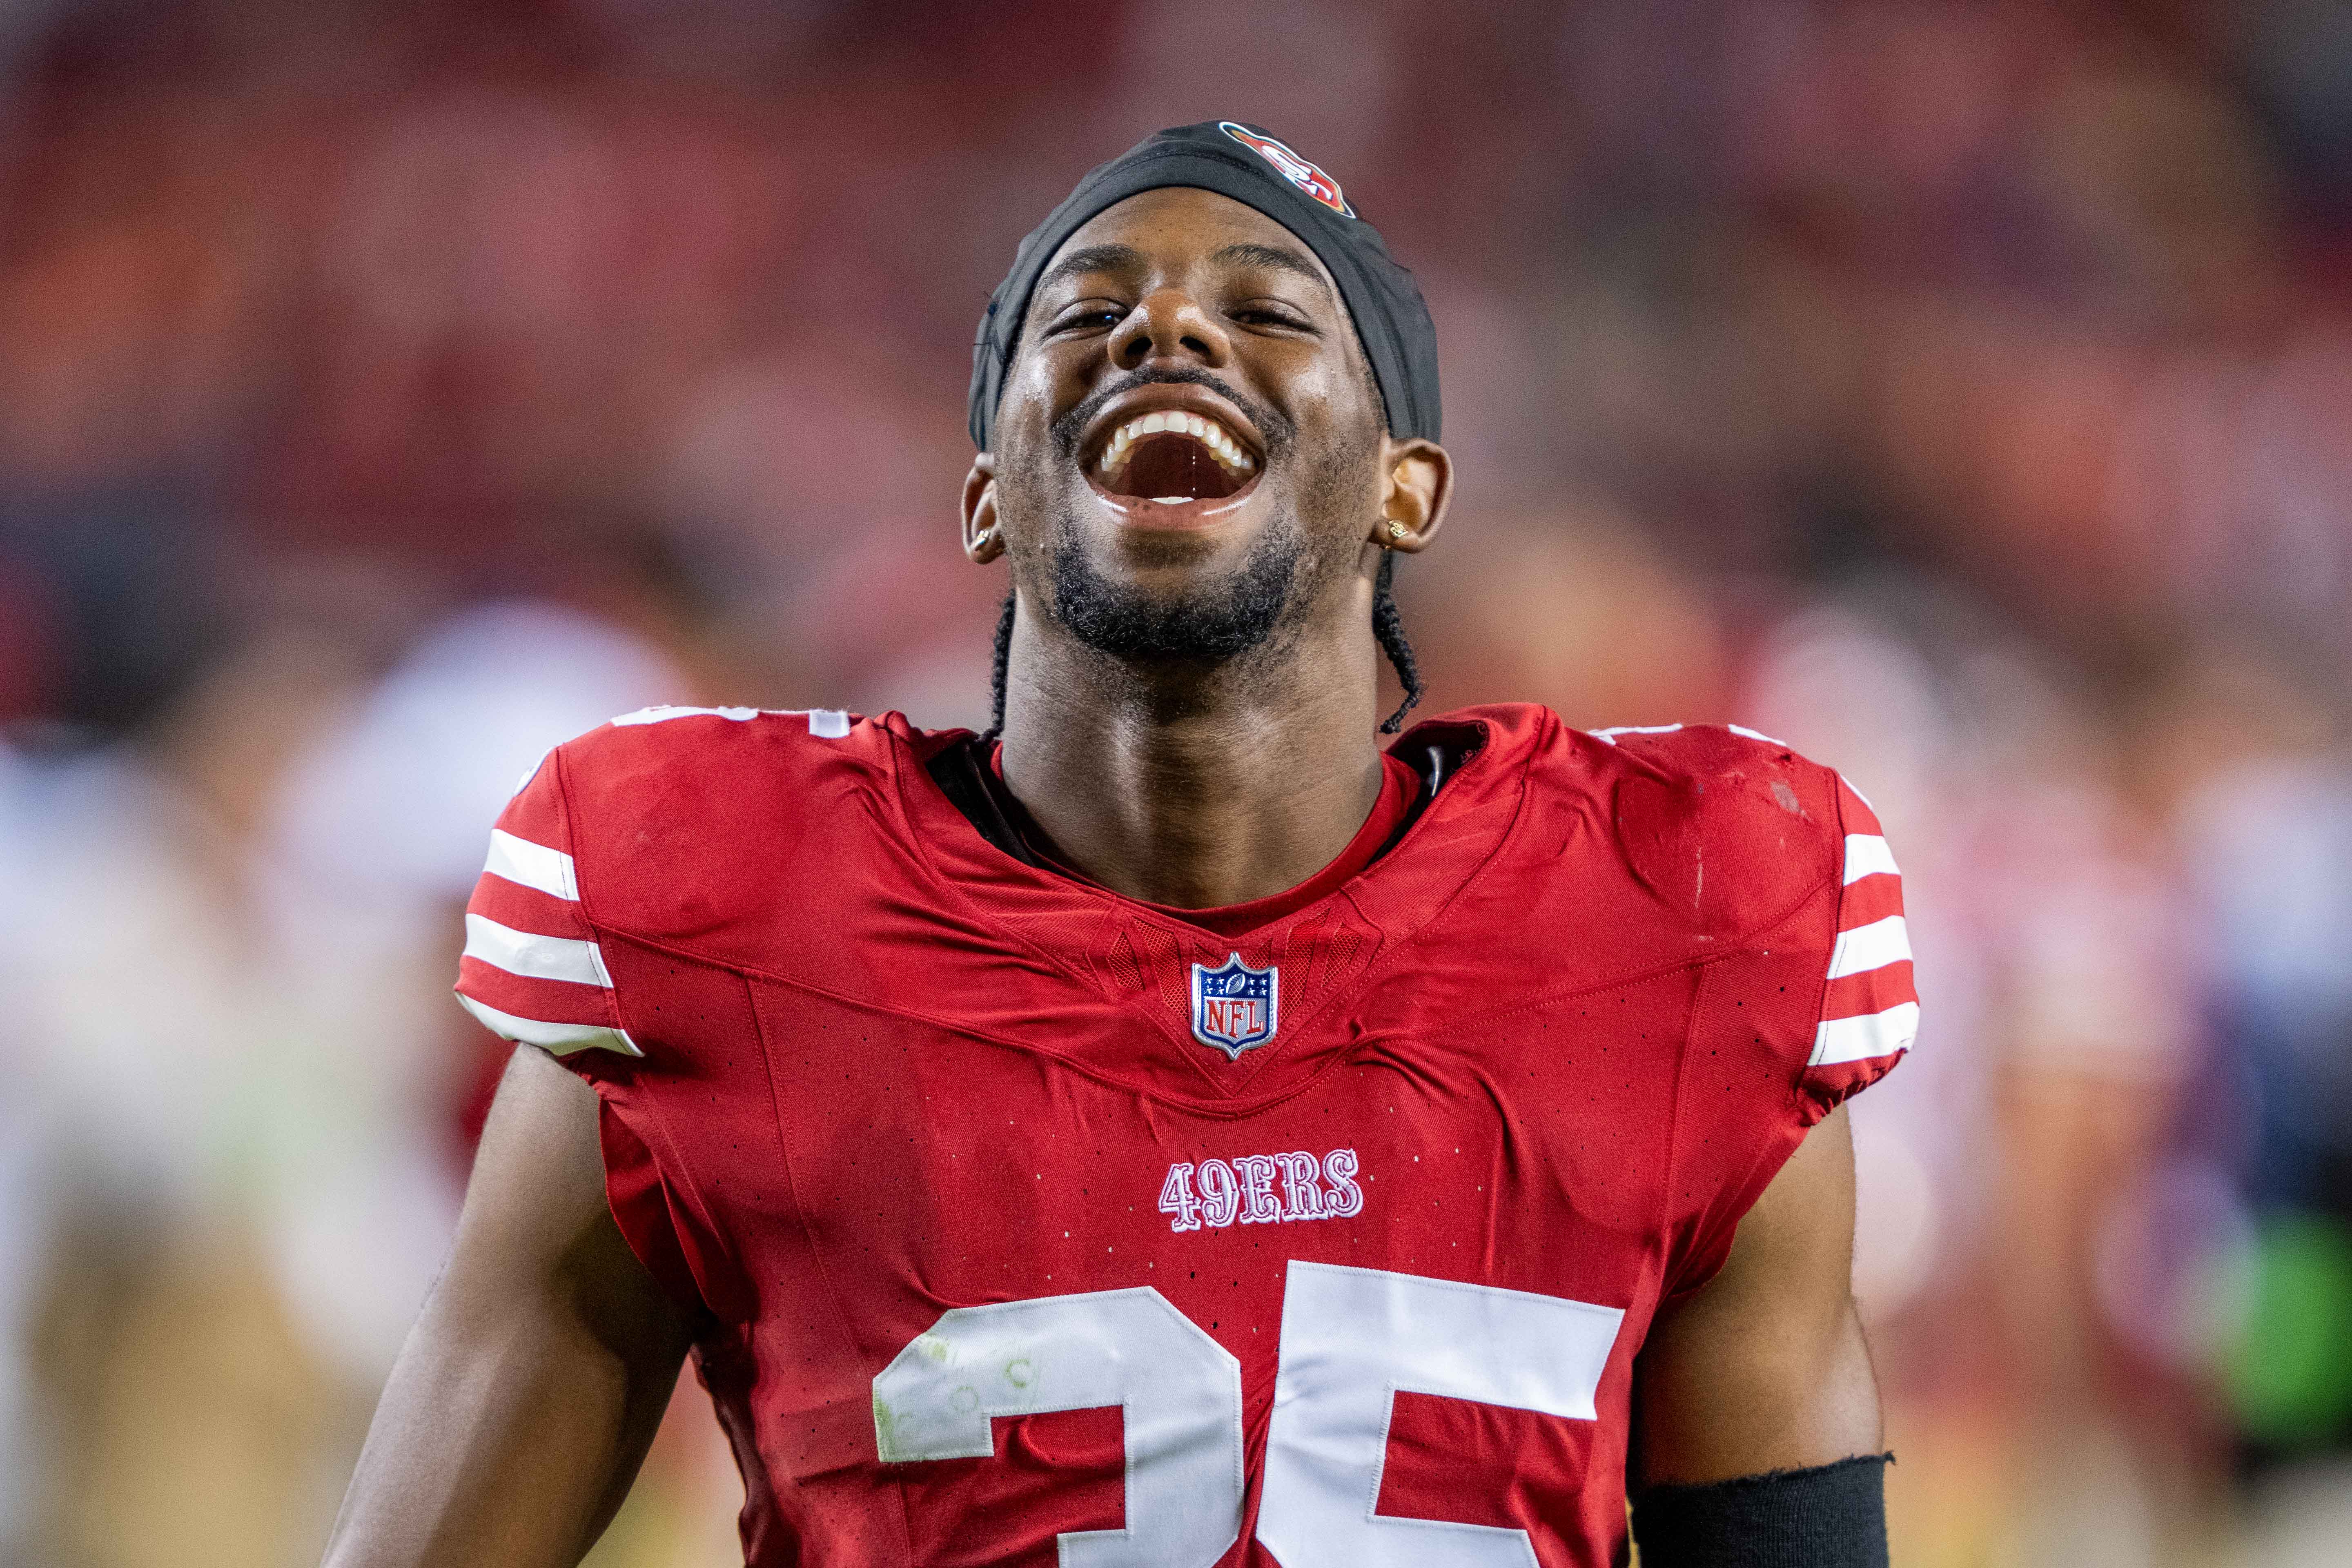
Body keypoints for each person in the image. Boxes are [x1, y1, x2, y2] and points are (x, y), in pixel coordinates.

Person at [322, 122, 1915, 1568]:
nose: (1165, 330)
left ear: (1406, 487)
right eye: (1083, 319)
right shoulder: (708, 928)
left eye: (1273, 315)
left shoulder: (1689, 923)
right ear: (984, 499)